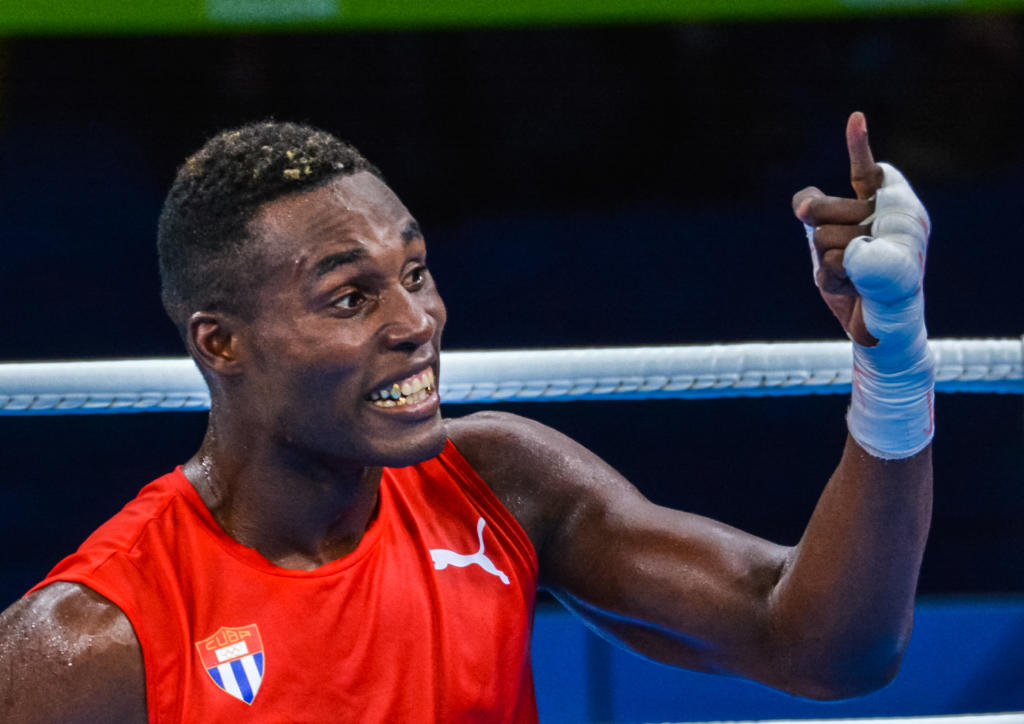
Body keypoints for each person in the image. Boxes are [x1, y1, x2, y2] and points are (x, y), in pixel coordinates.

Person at [0, 111, 934, 722]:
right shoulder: (91, 644)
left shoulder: (496, 485)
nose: (418, 324)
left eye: (414, 274)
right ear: (222, 343)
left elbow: (822, 645)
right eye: (350, 298)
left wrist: (891, 359)